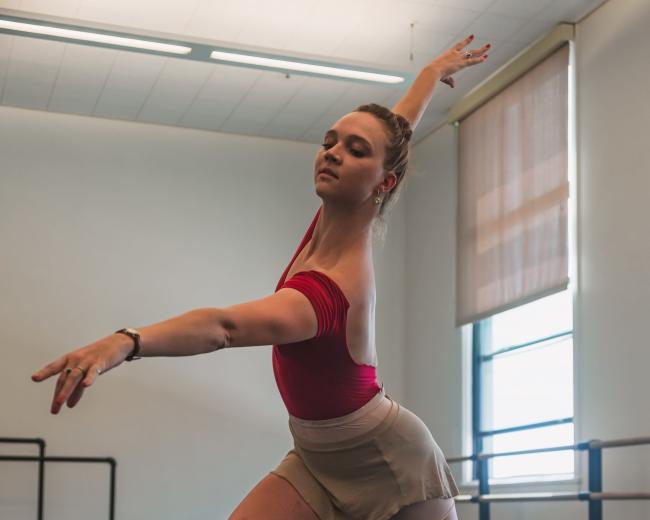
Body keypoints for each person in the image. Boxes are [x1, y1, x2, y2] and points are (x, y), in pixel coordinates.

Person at [32, 34, 490, 519]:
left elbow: (222, 328)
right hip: (316, 456)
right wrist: (429, 75)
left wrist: (125, 342)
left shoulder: (328, 289)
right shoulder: (329, 226)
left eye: (355, 150)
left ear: (383, 182)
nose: (333, 152)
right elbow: (398, 130)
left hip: (387, 459)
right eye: (329, 141)